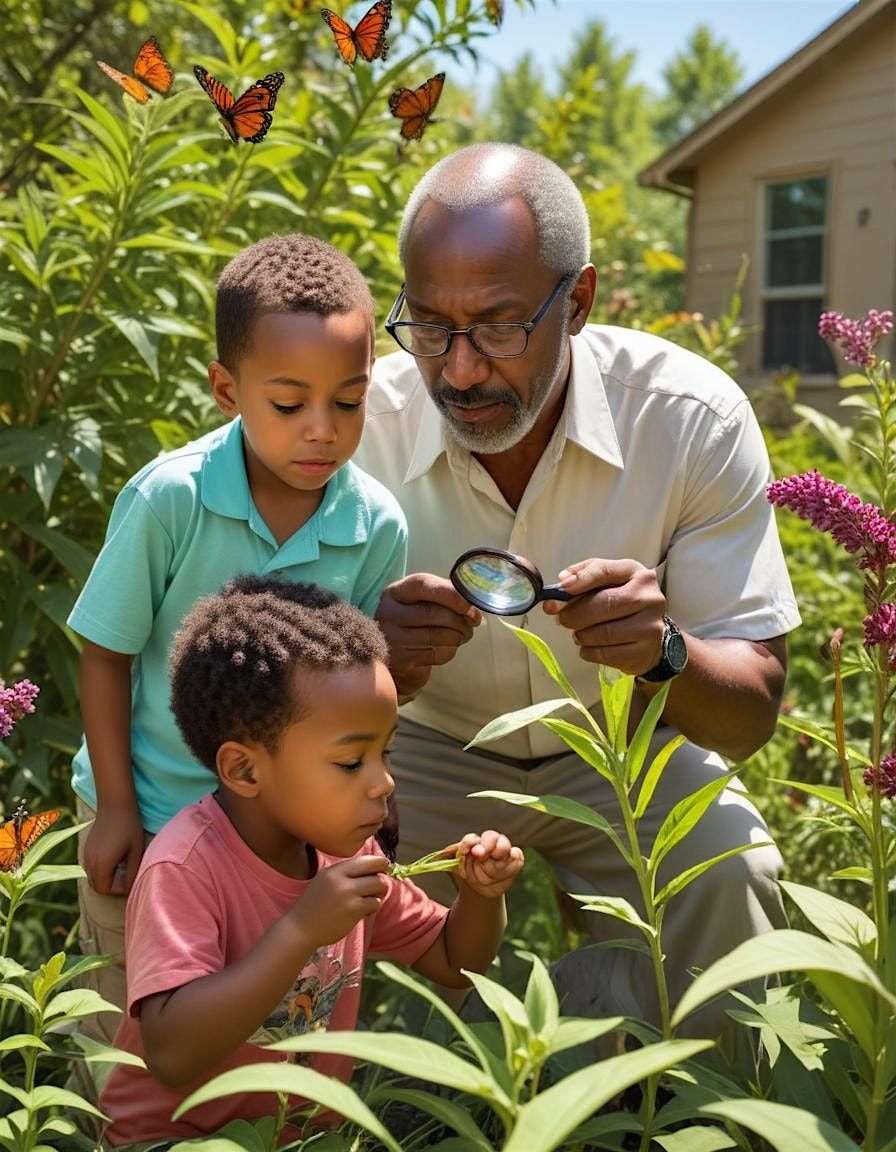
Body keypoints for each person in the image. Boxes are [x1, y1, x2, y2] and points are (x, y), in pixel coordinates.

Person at [353, 142, 802, 1037]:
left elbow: (750, 714)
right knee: (319, 874)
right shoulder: (360, 422)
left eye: (500, 327)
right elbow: (270, 669)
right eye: (432, 327)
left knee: (730, 871)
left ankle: (689, 1114)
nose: (461, 369)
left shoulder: (690, 419)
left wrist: (664, 653)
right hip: (426, 751)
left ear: (581, 302)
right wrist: (370, 658)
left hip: (629, 749)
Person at [67, 233, 408, 1045]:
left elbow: (351, 695)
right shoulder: (170, 500)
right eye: (289, 405)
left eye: (350, 402)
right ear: (228, 389)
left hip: (274, 833)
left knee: (262, 1024)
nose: (322, 431)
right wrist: (116, 804)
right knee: (134, 1033)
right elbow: (106, 653)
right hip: (149, 808)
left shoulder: (376, 527)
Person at [99, 575, 523, 1143]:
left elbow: (452, 959)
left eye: (386, 751)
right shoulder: (184, 867)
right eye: (352, 762)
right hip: (178, 1141)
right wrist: (302, 928)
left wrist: (482, 896)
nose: (384, 783)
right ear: (245, 769)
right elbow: (172, 1053)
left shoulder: (344, 851)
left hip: (302, 1136)